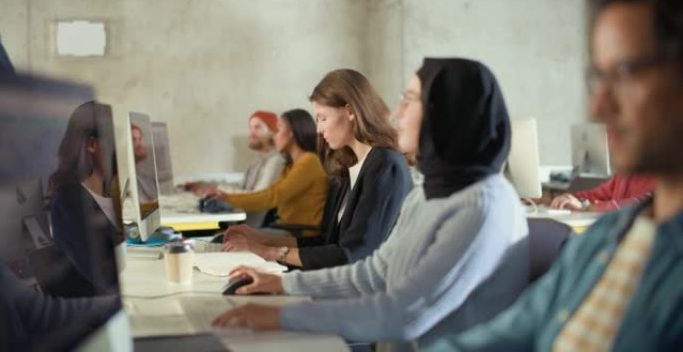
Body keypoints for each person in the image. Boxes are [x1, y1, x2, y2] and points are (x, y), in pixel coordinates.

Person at [420, 0, 683, 351]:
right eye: (598, 77)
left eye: (625, 73)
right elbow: (509, 335)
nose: (598, 105)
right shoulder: (605, 240)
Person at [212, 59, 530, 352]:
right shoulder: (429, 193)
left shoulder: (483, 205)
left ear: (446, 110)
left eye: (409, 100)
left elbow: (403, 313)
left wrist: (284, 316)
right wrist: (282, 282)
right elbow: (375, 272)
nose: (396, 113)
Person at [221, 69, 413, 270]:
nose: (318, 130)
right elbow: (329, 244)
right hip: (340, 282)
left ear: (350, 112)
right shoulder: (349, 166)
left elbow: (353, 255)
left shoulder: (386, 165)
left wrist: (269, 252)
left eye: (322, 118)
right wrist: (262, 239)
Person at [207, 109, 328, 236]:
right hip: (287, 228)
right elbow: (271, 192)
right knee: (223, 236)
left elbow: (273, 196)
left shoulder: (309, 161)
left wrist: (227, 199)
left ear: (291, 133)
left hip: (300, 234)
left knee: (226, 237)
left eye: (278, 130)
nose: (274, 136)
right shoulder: (292, 164)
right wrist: (226, 197)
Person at [49, 102, 121, 297]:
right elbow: (108, 277)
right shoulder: (70, 203)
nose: (120, 148)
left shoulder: (111, 192)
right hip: (105, 312)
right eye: (115, 139)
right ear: (91, 145)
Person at [189, 111, 286, 227]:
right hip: (241, 220)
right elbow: (240, 187)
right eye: (250, 128)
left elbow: (258, 195)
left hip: (252, 225)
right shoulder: (258, 160)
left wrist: (219, 191)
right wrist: (207, 185)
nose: (252, 133)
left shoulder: (276, 161)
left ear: (272, 132)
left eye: (258, 128)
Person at [551, 172, 655, 212]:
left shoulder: (665, 177)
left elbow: (644, 204)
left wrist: (585, 206)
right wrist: (567, 199)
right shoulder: (625, 173)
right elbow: (596, 195)